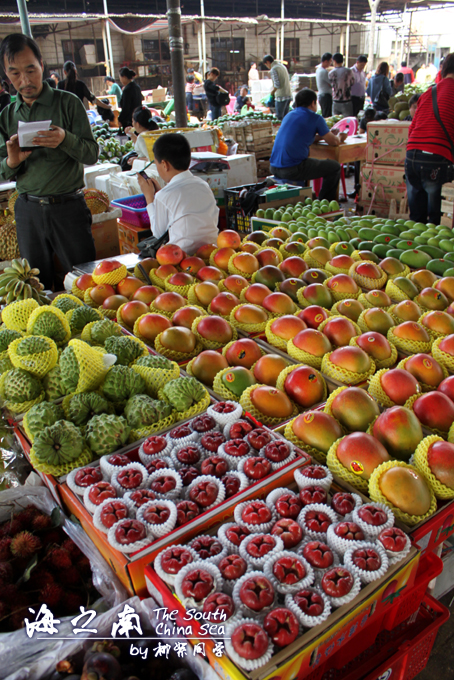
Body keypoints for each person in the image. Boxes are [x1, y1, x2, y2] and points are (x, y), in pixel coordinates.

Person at [0, 33, 98, 290]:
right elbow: (1, 172)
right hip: (27, 210)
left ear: (42, 64)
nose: (25, 80)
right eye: (14, 73)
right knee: (36, 286)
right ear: (6, 74)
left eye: (30, 70)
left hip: (68, 207)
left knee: (84, 281)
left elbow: (91, 154)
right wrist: (11, 161)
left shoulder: (68, 104)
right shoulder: (7, 116)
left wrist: (65, 140)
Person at [137, 133, 219, 254]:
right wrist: (160, 194)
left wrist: (149, 198)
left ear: (164, 165)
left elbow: (158, 233)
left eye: (156, 163)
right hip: (212, 251)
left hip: (182, 256)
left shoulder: (164, 196)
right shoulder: (203, 185)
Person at [405, 53, 454, 225]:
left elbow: (412, 128)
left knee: (416, 218)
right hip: (436, 158)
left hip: (412, 156)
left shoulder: (429, 92)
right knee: (434, 221)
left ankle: (411, 247)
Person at [269, 88, 341, 201]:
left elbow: (303, 137)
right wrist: (340, 137)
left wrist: (323, 135)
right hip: (292, 168)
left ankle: (316, 199)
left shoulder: (289, 115)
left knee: (312, 163)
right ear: (313, 103)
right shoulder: (315, 118)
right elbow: (334, 142)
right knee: (334, 167)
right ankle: (325, 202)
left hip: (274, 167)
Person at [263, 54, 292, 120]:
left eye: (266, 65)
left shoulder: (273, 69)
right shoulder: (282, 66)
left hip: (281, 97)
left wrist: (271, 93)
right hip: (288, 95)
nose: (267, 66)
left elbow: (277, 85)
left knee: (279, 118)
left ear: (268, 62)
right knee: (286, 118)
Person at [315, 53, 333, 118]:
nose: (330, 63)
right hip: (326, 96)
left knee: (325, 114)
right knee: (327, 116)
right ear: (326, 61)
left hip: (322, 95)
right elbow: (331, 84)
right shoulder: (324, 72)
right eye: (330, 61)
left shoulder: (318, 70)